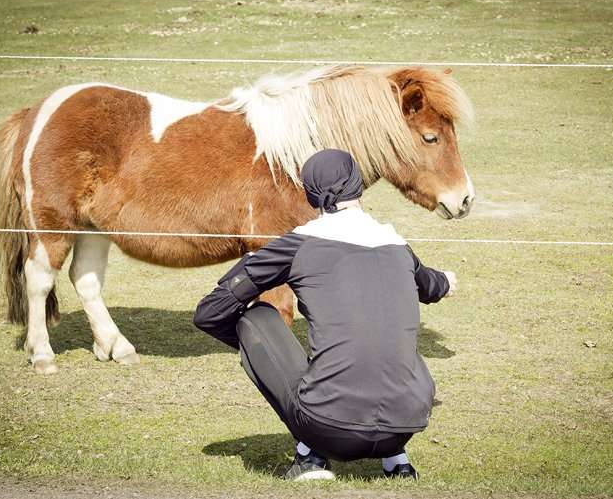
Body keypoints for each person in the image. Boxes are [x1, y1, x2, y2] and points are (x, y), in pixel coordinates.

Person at [193, 149, 457, 481]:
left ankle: (309, 457)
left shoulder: (299, 243)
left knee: (256, 316)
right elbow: (431, 286)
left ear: (310, 193)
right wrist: (446, 280)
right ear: (359, 187)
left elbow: (210, 312)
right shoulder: (397, 244)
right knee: (381, 331)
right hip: (407, 424)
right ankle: (395, 460)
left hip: (329, 429)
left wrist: (252, 344)